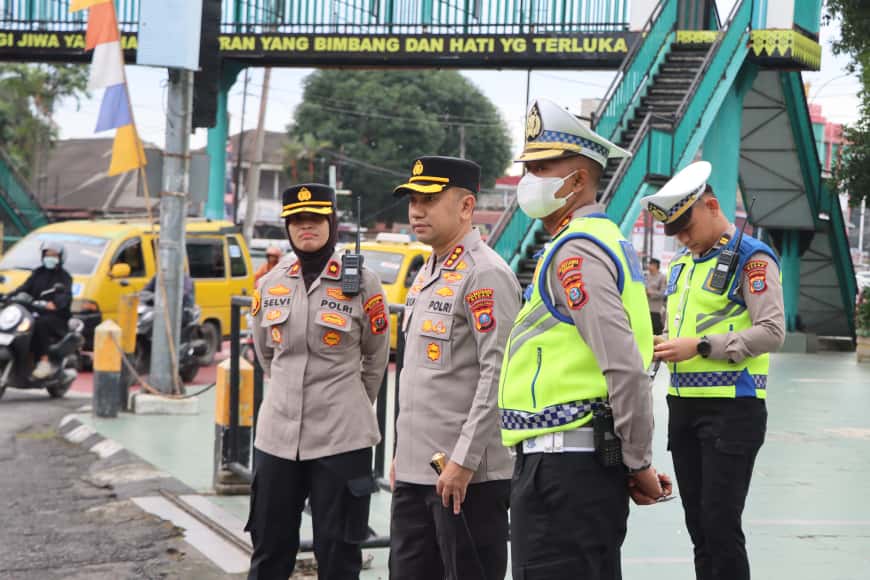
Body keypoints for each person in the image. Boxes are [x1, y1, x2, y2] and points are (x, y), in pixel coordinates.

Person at [498, 98, 672, 579]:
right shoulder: (597, 241)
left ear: (577, 181)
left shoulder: (576, 253)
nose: (528, 179)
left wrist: (636, 461)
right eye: (528, 167)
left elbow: (623, 367)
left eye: (541, 167)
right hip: (572, 465)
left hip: (564, 471)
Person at [641, 161, 785, 580]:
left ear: (712, 206)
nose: (683, 238)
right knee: (699, 529)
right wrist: (662, 344)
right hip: (684, 410)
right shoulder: (683, 267)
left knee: (721, 527)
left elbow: (772, 330)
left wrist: (701, 347)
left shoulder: (752, 258)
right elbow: (680, 328)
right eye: (675, 232)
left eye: (686, 227)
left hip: (732, 411)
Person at [246, 183, 390, 580]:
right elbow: (266, 354)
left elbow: (376, 355)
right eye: (297, 221)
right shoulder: (270, 284)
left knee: (338, 552)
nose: (305, 228)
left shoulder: (363, 283)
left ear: (332, 223)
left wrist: (352, 400)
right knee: (269, 549)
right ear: (288, 228)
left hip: (342, 437)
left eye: (314, 219)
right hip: (277, 438)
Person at [389, 156, 521, 580]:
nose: (416, 209)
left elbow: (497, 375)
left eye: (428, 198)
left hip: (466, 479)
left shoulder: (486, 274)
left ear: (466, 207)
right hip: (417, 470)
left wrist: (462, 462)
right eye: (412, 199)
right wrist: (401, 455)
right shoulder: (429, 269)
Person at [13, 240, 73, 379]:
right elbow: (24, 288)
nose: (50, 257)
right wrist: (8, 296)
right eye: (47, 254)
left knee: (39, 324)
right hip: (34, 311)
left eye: (53, 255)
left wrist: (54, 304)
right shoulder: (38, 273)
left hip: (56, 317)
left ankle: (44, 361)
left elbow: (64, 296)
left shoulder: (64, 277)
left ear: (60, 258)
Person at [646, 257, 666, 334]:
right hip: (646, 308)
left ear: (655, 265)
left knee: (656, 332)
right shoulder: (646, 276)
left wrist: (650, 293)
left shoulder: (662, 277)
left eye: (650, 264)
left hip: (656, 310)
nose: (649, 266)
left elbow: (663, 293)